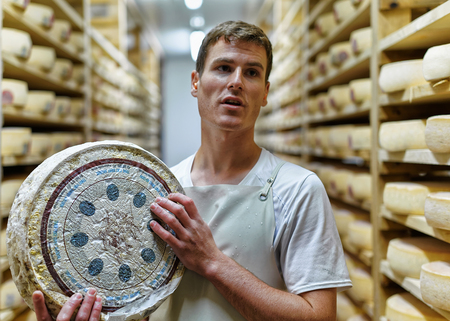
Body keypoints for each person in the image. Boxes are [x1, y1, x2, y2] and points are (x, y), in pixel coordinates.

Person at [33, 20, 351, 321]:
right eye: (223, 68)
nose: (236, 82)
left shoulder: (298, 189)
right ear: (196, 83)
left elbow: (319, 315)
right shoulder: (157, 189)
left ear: (265, 93)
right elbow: (136, 305)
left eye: (251, 72)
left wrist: (212, 262)